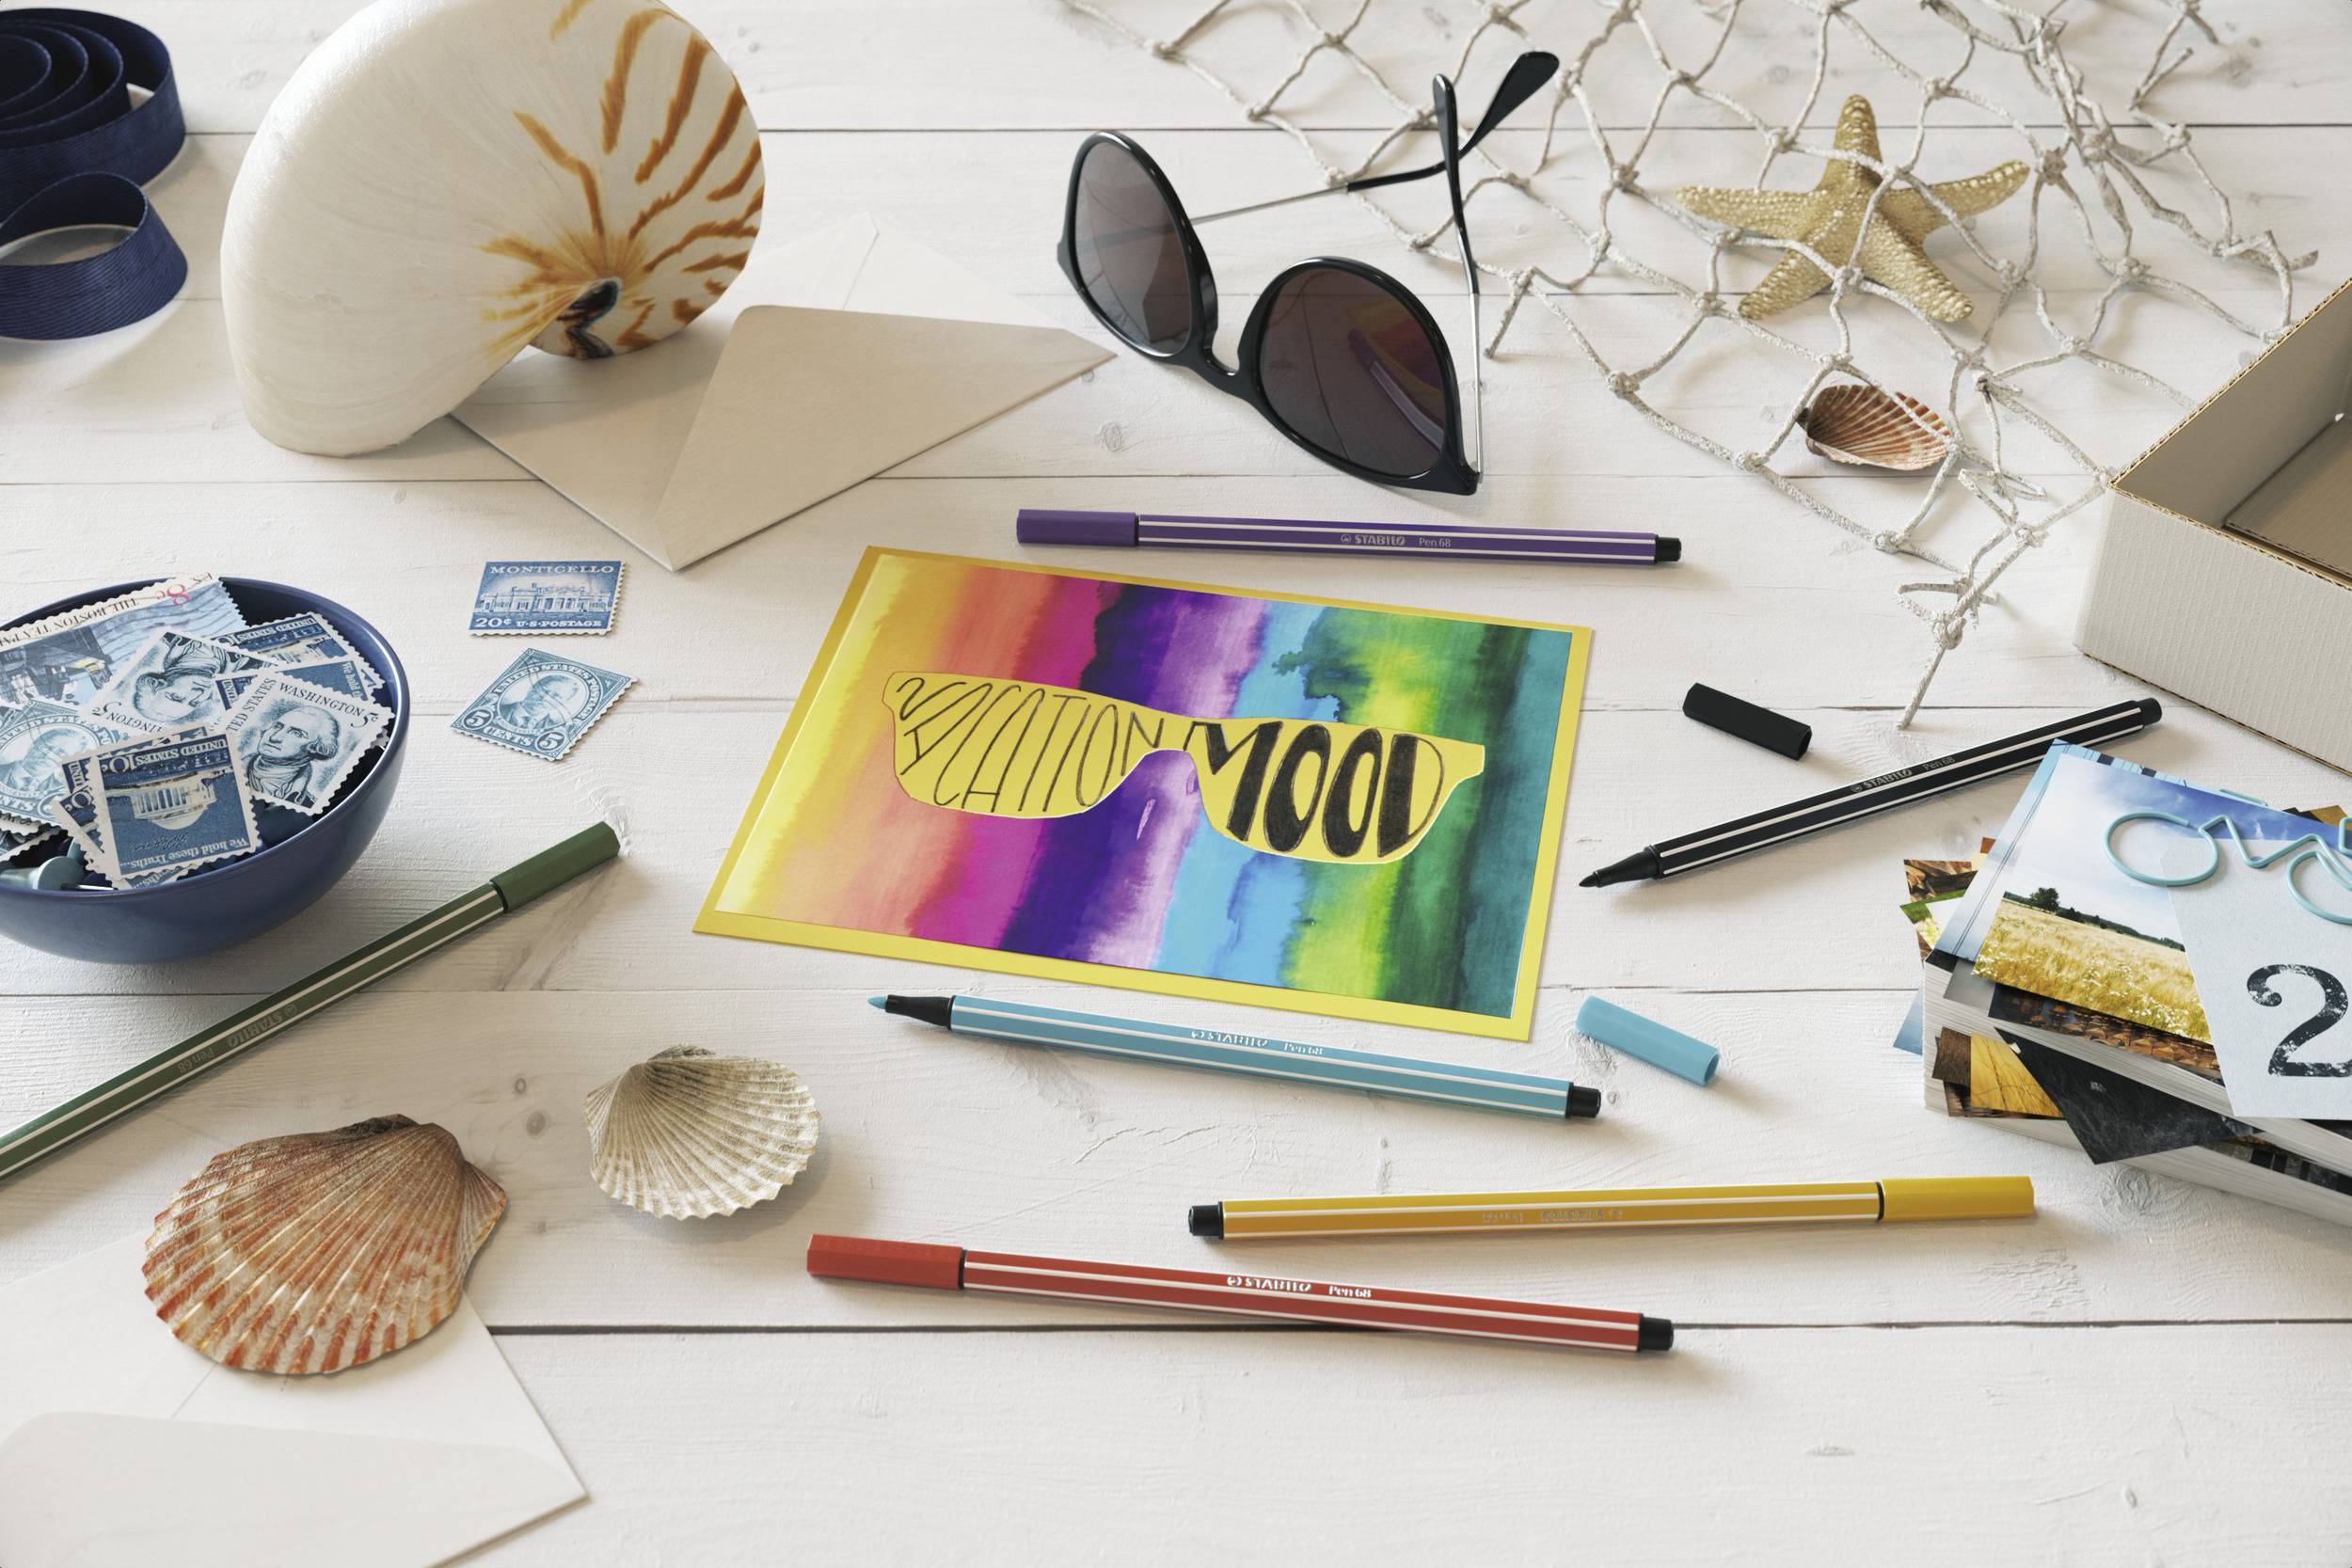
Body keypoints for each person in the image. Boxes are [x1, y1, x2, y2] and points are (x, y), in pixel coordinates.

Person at [242, 704, 342, 810]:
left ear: (316, 747)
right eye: (277, 726)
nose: (275, 737)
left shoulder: (308, 806)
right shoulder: (234, 767)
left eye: (296, 733)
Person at [495, 671, 587, 735]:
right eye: (544, 690)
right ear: (531, 688)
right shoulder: (497, 710)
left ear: (564, 702)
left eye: (556, 696)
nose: (545, 698)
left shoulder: (556, 729)